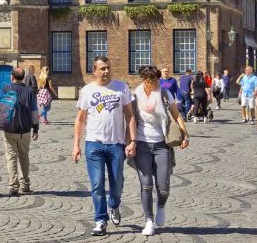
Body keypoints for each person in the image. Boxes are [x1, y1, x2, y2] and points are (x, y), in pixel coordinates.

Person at [73, 56, 136, 237]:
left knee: (117, 184)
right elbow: (80, 119)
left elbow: (130, 116)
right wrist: (76, 145)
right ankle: (100, 220)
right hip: (94, 144)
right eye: (102, 69)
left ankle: (114, 205)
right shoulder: (87, 90)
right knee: (97, 184)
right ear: (94, 71)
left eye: (108, 68)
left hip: (116, 144)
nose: (106, 71)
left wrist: (132, 140)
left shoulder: (121, 87)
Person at [131, 65, 189, 236]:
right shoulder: (136, 94)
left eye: (156, 80)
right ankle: (148, 220)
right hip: (142, 143)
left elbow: (176, 115)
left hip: (162, 143)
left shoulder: (164, 93)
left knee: (163, 186)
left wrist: (185, 135)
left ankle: (161, 205)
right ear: (144, 81)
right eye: (151, 81)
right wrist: (129, 141)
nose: (155, 83)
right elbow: (130, 118)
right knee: (146, 184)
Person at [0, 67, 39, 196]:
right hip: (25, 130)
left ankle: (13, 186)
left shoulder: (6, 89)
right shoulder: (29, 91)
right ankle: (25, 185)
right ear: (23, 78)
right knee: (24, 157)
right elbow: (34, 112)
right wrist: (35, 128)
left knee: (11, 157)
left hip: (9, 129)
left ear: (12, 77)